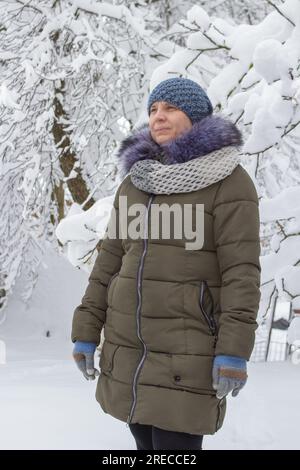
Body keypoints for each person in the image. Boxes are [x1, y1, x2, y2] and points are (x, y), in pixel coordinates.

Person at [71, 77, 261, 450]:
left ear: (197, 118)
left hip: (188, 352)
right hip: (129, 350)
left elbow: (242, 273)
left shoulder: (230, 183)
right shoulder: (136, 183)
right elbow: (108, 263)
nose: (158, 116)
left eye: (170, 108)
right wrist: (85, 330)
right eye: (154, 109)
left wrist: (234, 351)